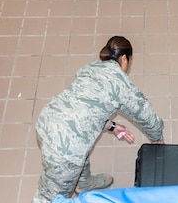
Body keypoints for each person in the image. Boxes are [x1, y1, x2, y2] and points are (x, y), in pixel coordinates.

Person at [33, 36, 164, 203]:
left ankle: (83, 183)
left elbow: (86, 108)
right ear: (124, 59)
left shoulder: (90, 68)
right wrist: (158, 138)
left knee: (82, 145)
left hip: (49, 119)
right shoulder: (121, 85)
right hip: (64, 149)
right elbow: (146, 116)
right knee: (51, 197)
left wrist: (112, 126)